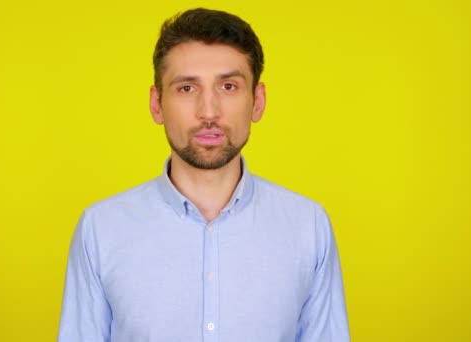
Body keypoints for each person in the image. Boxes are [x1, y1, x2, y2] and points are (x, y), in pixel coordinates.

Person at [58, 8, 349, 342]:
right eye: (186, 88)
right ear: (157, 104)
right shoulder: (100, 229)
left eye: (228, 86)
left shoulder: (307, 226)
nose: (208, 112)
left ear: (257, 101)